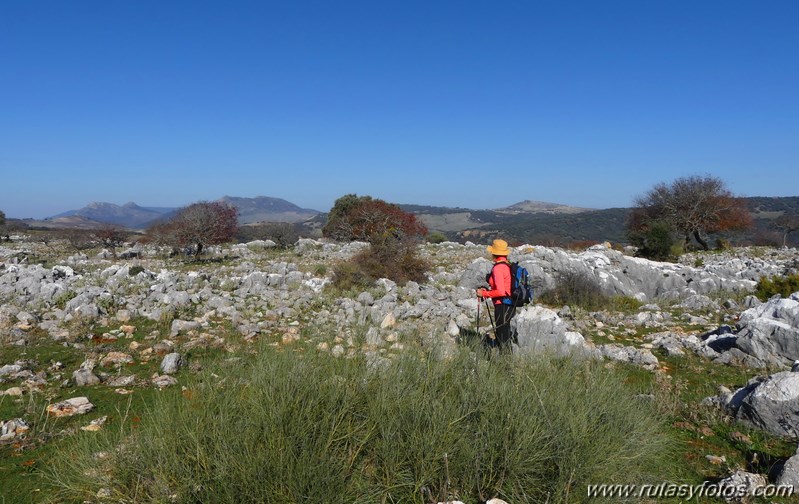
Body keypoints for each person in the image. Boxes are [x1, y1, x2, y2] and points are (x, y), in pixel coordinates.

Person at [476, 239, 517, 350]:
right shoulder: (507, 265)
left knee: (502, 334)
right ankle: (506, 358)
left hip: (502, 305)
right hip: (510, 304)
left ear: (494, 253)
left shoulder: (498, 268)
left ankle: (505, 362)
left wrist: (483, 293)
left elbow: (500, 291)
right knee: (505, 333)